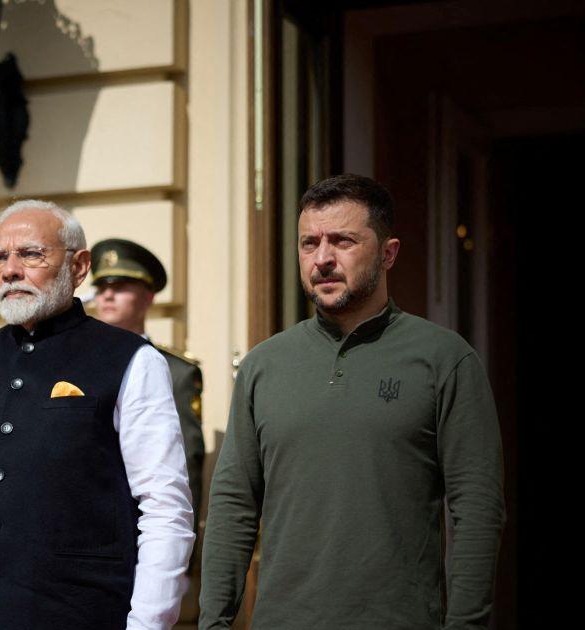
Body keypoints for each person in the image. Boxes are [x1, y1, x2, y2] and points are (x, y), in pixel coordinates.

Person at [199, 174, 505, 629]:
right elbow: (233, 506)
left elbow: (477, 508)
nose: (322, 258)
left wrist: (466, 624)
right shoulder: (264, 366)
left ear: (388, 253)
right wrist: (213, 623)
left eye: (342, 241)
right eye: (309, 243)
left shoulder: (444, 359)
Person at [0, 200, 195, 630]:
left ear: (78, 267)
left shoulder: (130, 359)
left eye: (31, 254)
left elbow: (164, 507)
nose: (10, 270)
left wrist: (148, 623)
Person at [89, 239, 206, 538]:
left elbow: (186, 464)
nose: (108, 295)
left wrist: (183, 551)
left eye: (121, 286)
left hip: (144, 533)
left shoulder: (176, 371)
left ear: (149, 295)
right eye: (101, 287)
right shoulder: (77, 366)